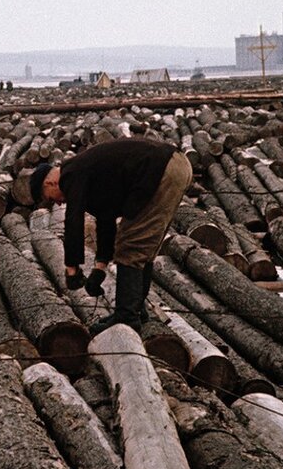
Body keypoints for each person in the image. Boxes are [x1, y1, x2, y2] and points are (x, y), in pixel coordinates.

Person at [31, 138, 192, 333]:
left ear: (50, 183)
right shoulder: (85, 173)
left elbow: (73, 219)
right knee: (143, 245)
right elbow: (105, 219)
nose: (57, 204)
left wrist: (71, 269)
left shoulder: (70, 174)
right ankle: (135, 310)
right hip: (176, 166)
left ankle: (127, 318)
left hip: (161, 169)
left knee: (131, 244)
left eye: (50, 198)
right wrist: (100, 268)